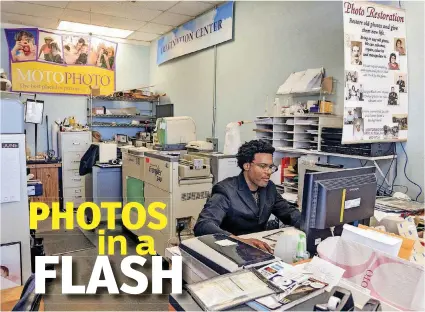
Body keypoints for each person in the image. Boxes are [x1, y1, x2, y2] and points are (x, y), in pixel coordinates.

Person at [194, 140, 301, 252]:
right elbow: (203, 225)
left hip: (258, 249)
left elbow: (289, 213)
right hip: (229, 249)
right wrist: (239, 241)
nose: (268, 172)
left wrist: (313, 227)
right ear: (247, 165)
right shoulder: (226, 190)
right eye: (263, 166)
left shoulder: (269, 188)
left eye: (271, 167)